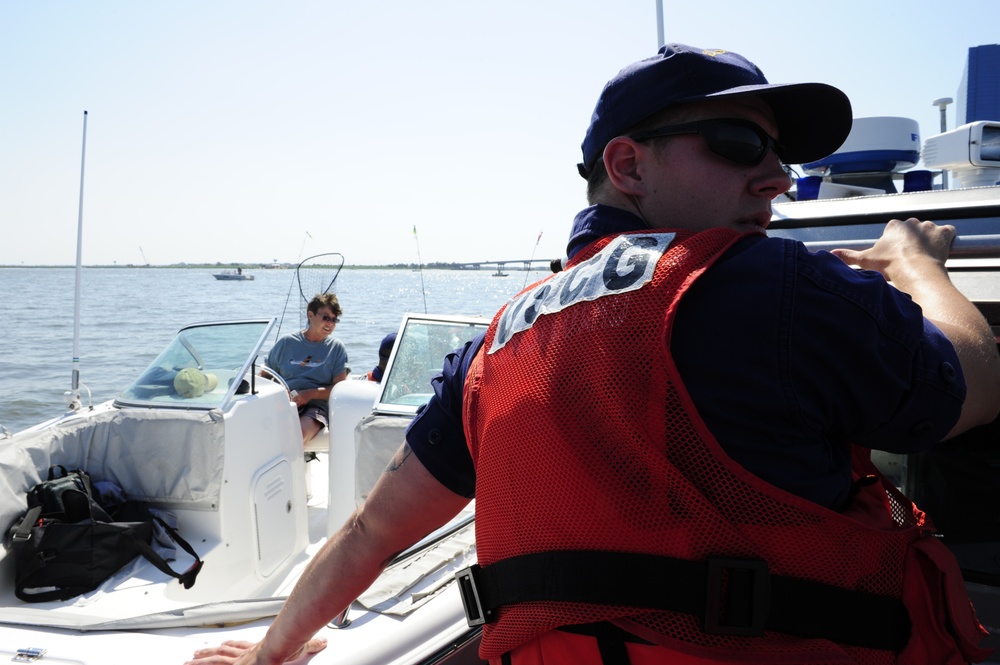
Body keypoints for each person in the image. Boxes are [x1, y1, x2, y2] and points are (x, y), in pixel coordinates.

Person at [187, 44, 1000, 665]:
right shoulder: (779, 285)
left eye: (781, 157)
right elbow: (976, 386)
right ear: (626, 163)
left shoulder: (495, 344)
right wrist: (919, 263)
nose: (777, 179)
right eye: (737, 144)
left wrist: (270, 653)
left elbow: (370, 531)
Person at [264, 293, 349, 445]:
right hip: (283, 403)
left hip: (315, 408)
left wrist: (309, 394)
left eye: (334, 320)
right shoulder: (286, 342)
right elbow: (264, 376)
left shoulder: (336, 347)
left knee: (297, 434)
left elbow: (339, 389)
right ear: (310, 315)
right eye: (326, 318)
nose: (330, 323)